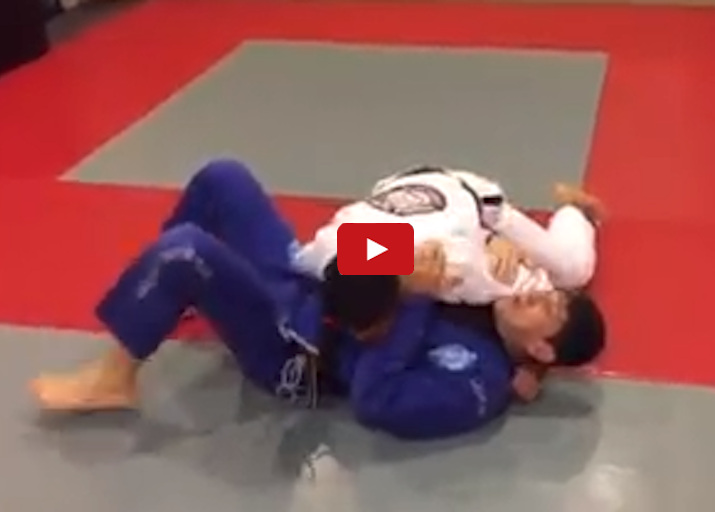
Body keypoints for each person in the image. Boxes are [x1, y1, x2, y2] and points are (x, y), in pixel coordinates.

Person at [30, 159, 605, 440]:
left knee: (187, 253)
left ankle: (115, 377)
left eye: (547, 310)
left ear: (541, 350)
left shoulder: (479, 378)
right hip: (311, 286)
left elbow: (377, 402)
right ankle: (166, 300)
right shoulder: (499, 283)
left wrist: (411, 295)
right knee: (223, 178)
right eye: (548, 294)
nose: (537, 294)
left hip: (299, 352)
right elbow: (565, 262)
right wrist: (494, 236)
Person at [294, 165, 605, 400]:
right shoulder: (464, 269)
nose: (538, 296)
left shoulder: (445, 266)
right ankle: (576, 212)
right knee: (572, 270)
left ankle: (574, 212)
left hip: (427, 202)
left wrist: (534, 368)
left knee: (569, 271)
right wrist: (491, 238)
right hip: (464, 197)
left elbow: (324, 254)